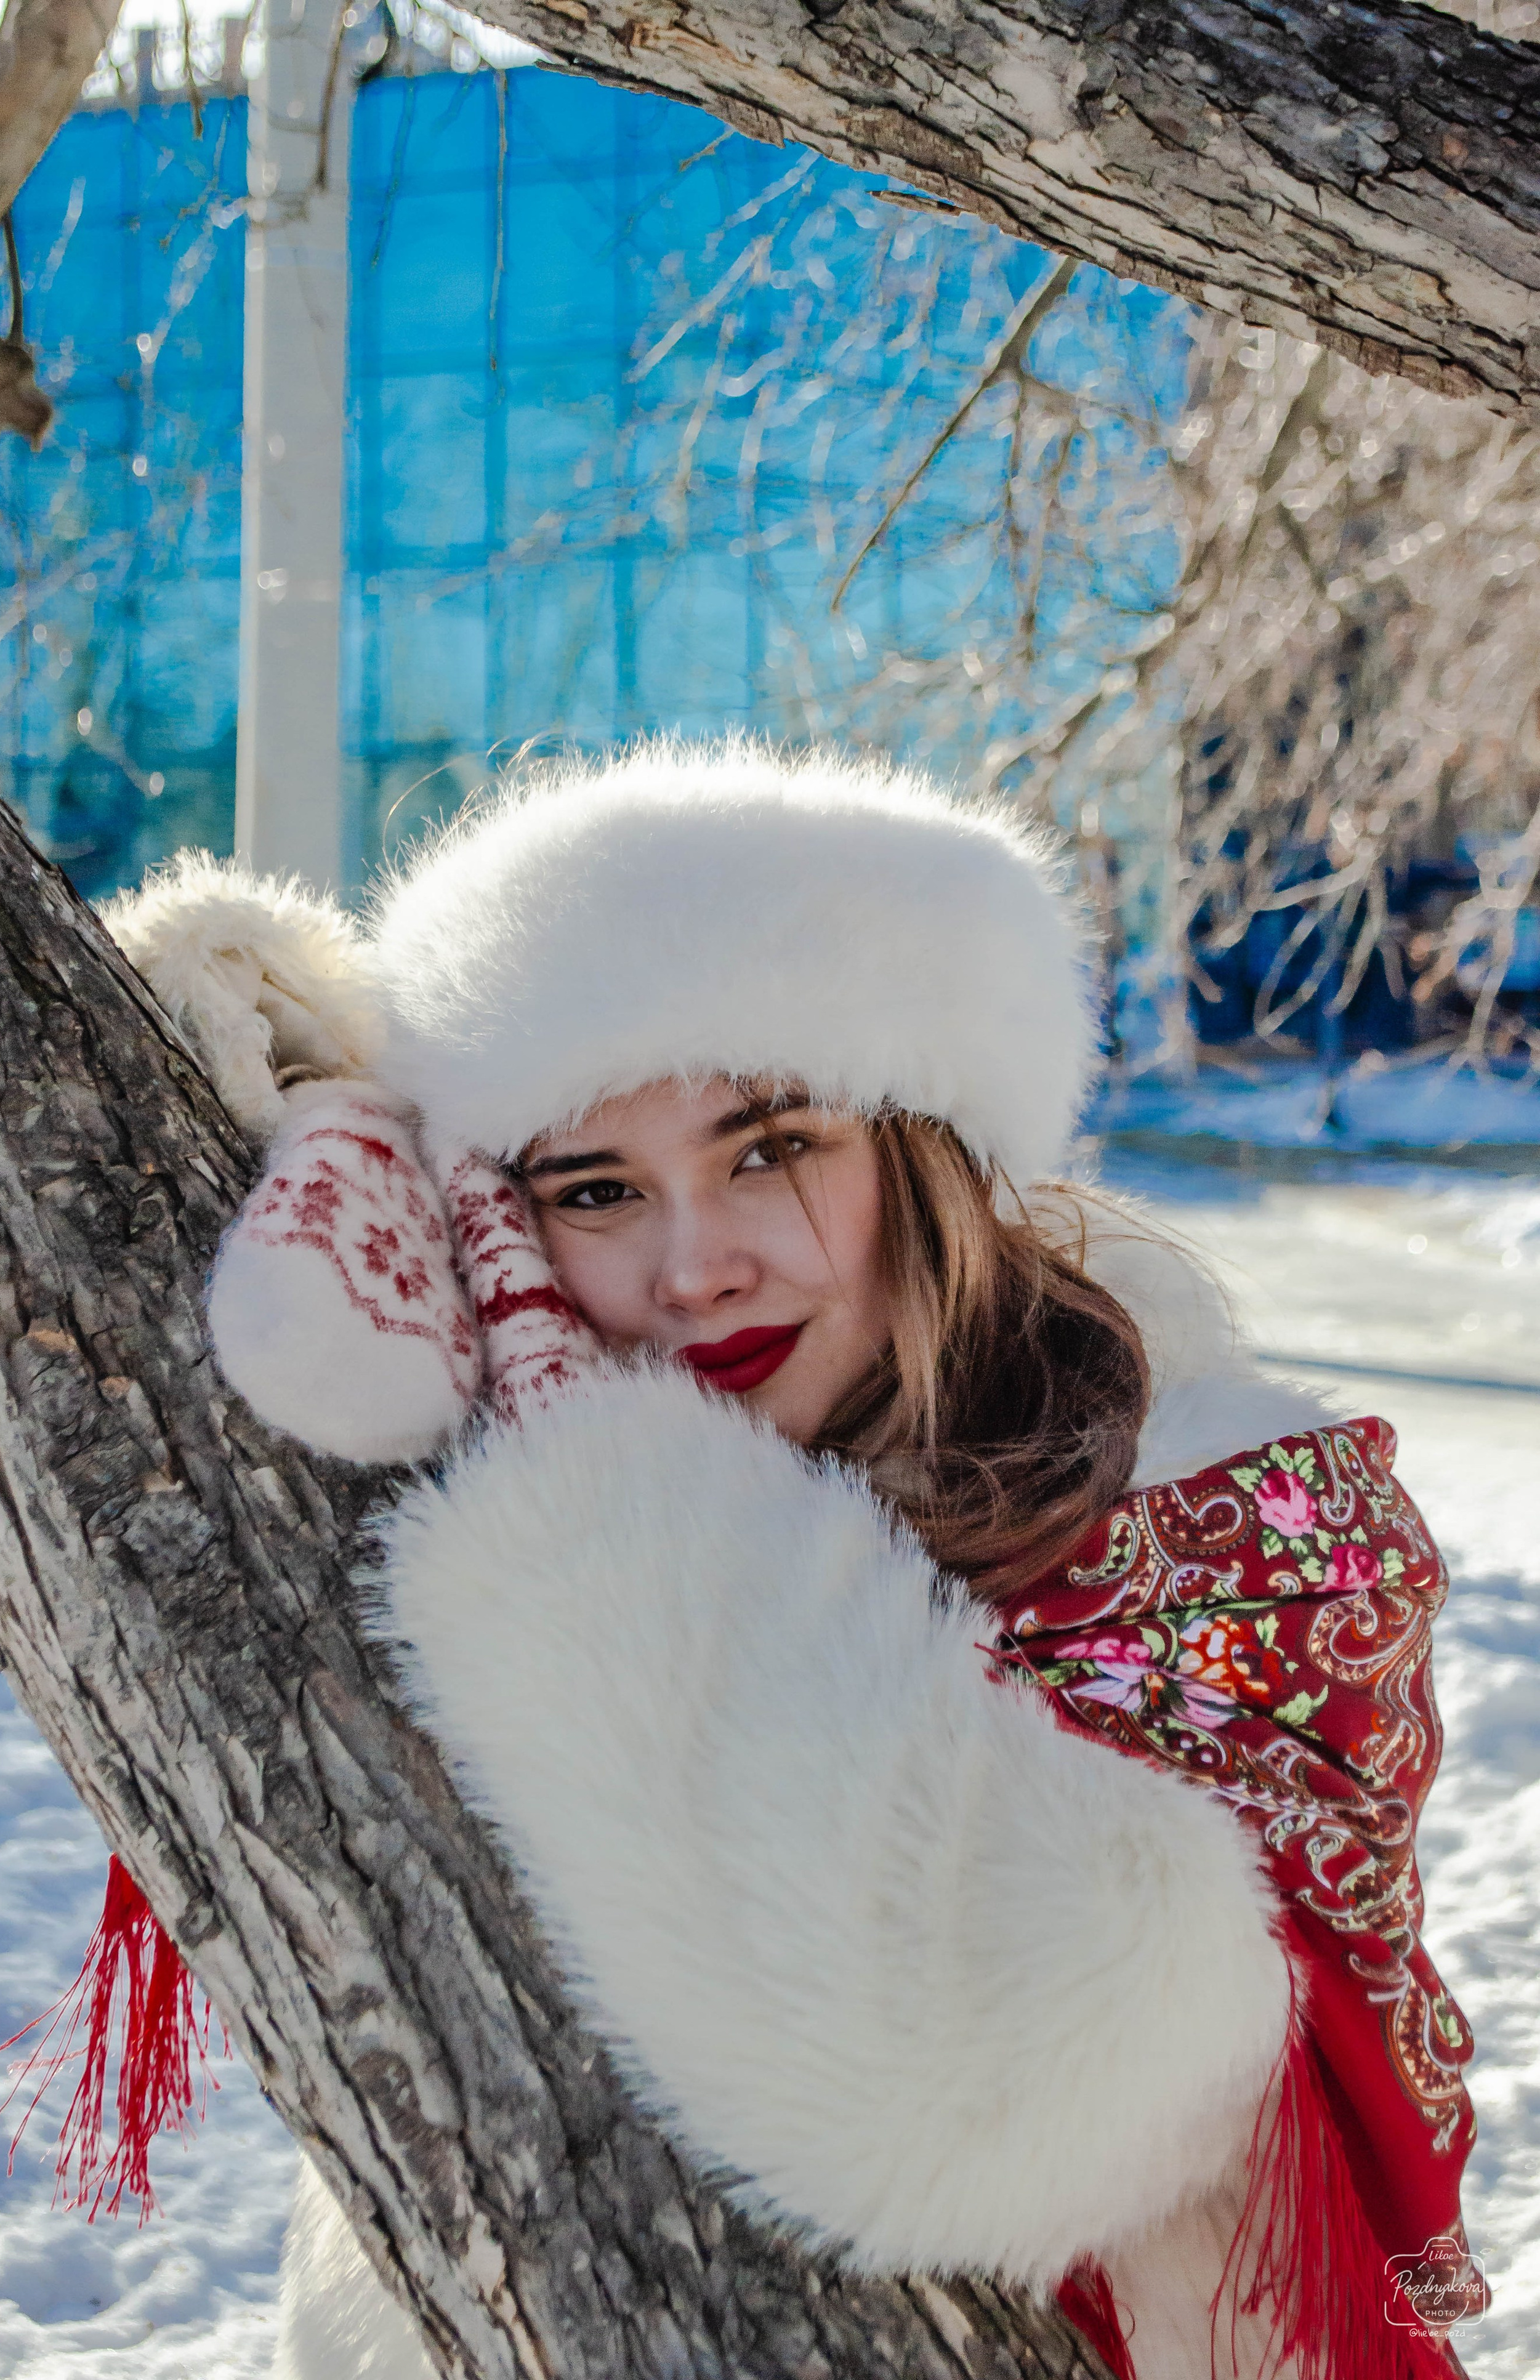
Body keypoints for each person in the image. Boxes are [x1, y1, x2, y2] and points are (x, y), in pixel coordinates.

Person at [107, 739, 1482, 2380]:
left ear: (922, 1153)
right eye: (598, 1188)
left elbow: (1001, 2066)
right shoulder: (489, 1473)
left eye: (772, 1150)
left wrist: (606, 1508)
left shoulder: (1236, 1519)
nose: (697, 1266)